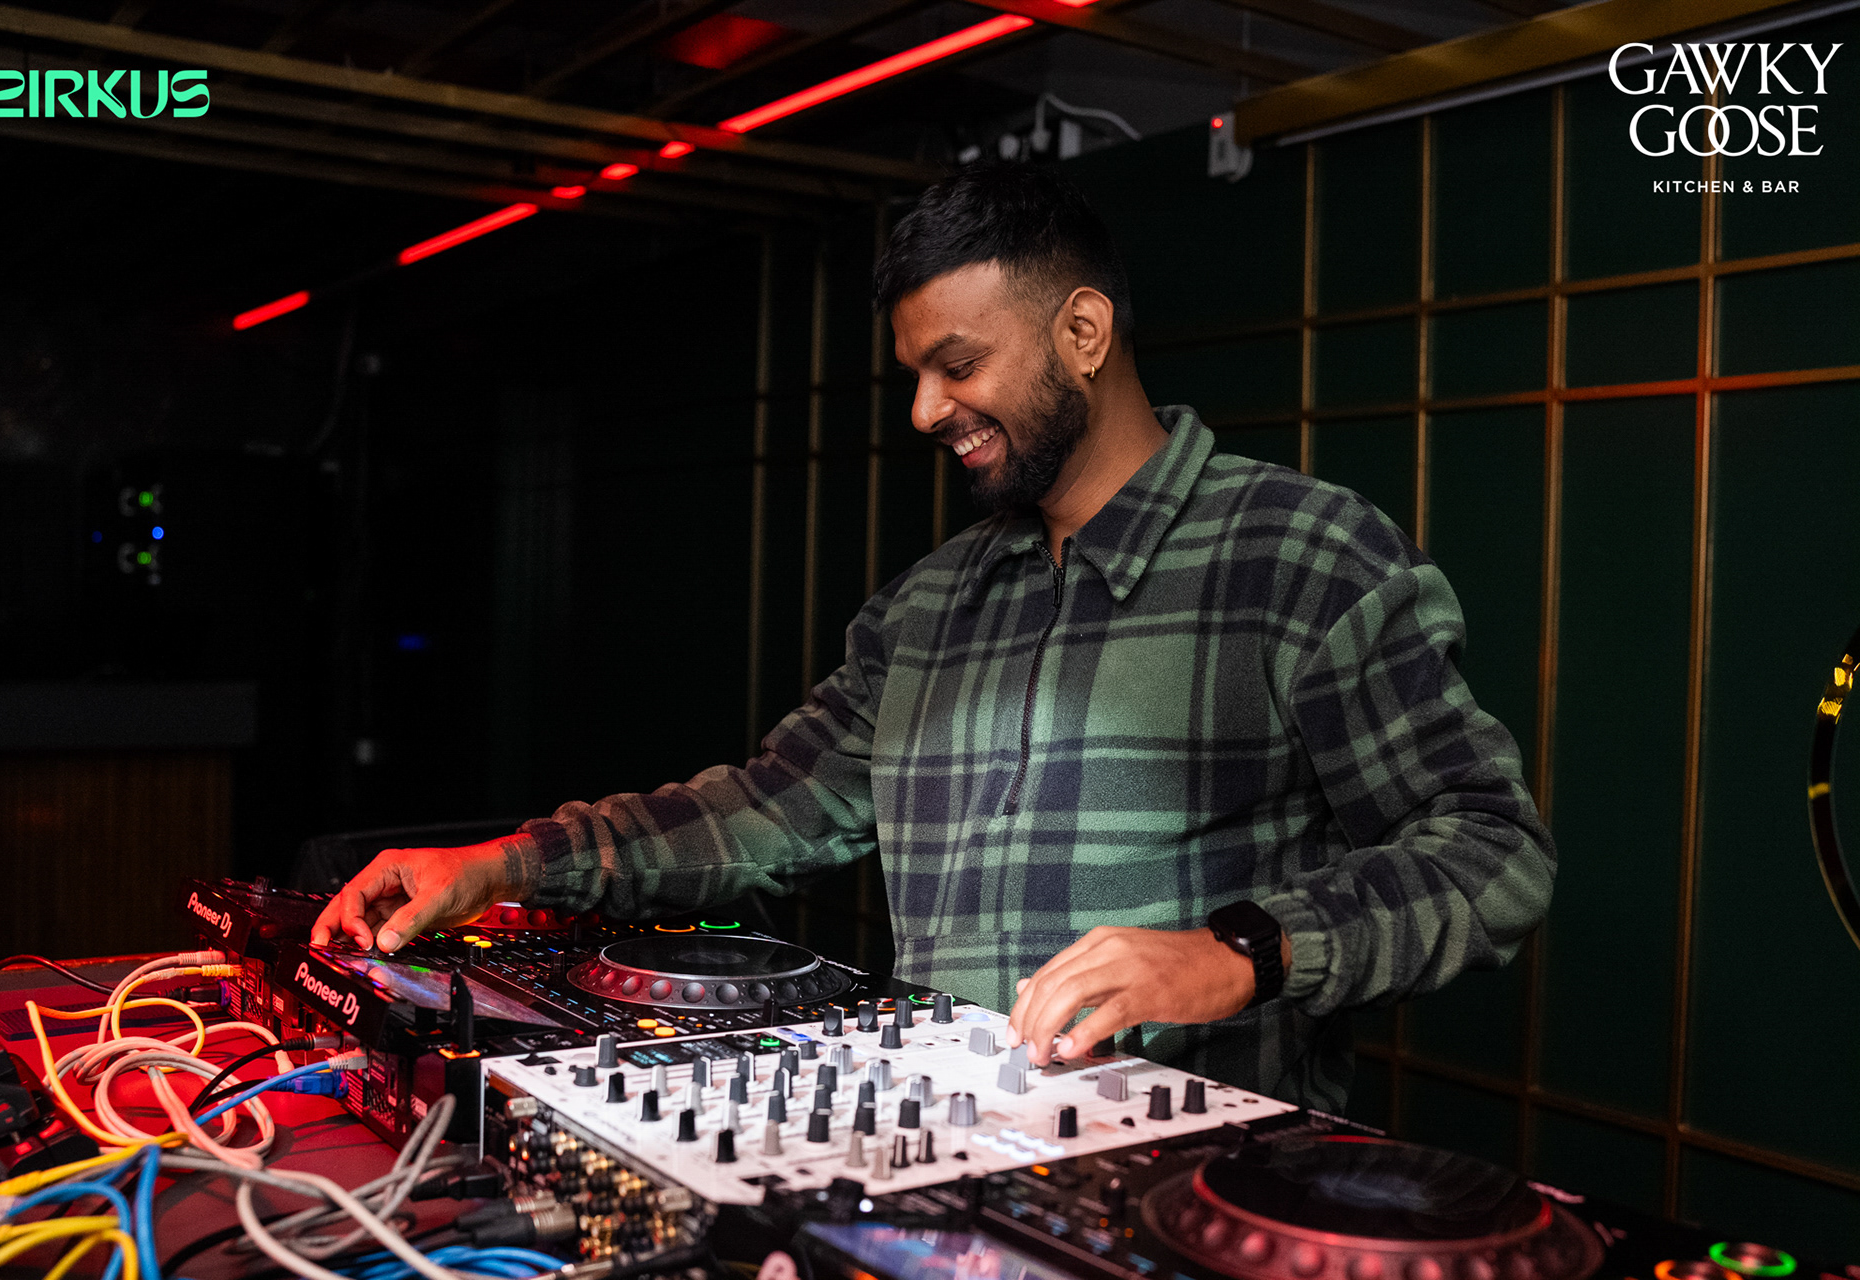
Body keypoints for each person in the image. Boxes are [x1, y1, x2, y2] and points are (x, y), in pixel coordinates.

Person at [312, 164, 1554, 1110]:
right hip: (943, 1184)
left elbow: (1490, 851)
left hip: (1195, 1190)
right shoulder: (928, 606)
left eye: (957, 364)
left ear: (1082, 332)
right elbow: (760, 809)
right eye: (914, 372)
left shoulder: (1305, 556)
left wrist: (1238, 951)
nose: (924, 409)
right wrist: (503, 863)